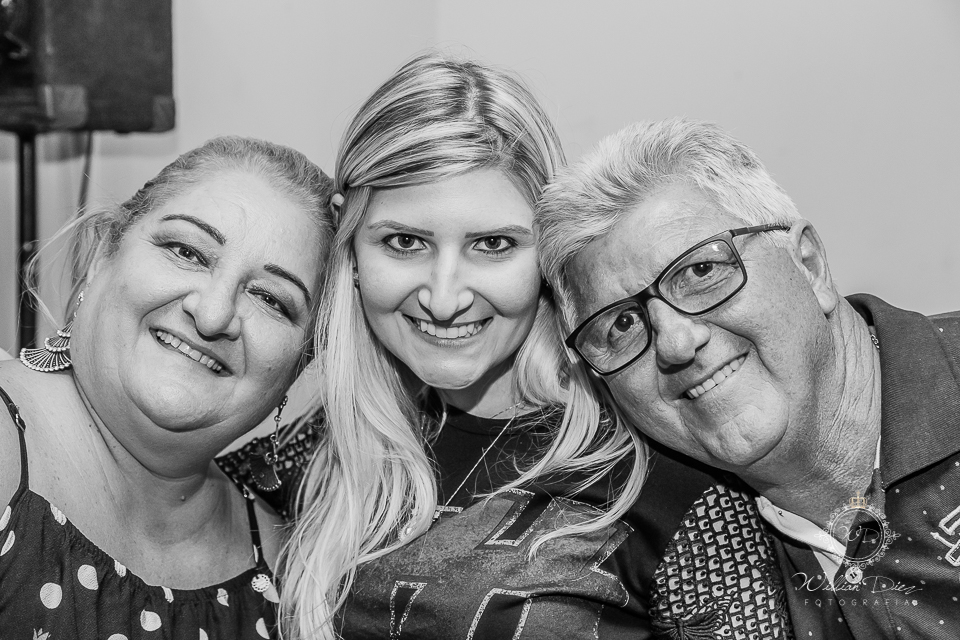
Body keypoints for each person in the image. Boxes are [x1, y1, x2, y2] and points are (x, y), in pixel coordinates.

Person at [222, 55, 792, 640]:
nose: (444, 299)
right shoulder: (321, 448)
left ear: (547, 251)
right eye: (405, 242)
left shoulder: (664, 467)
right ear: (351, 248)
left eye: (492, 244)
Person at [536, 117, 960, 640]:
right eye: (621, 324)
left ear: (809, 265)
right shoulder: (686, 560)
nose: (676, 343)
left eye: (700, 271)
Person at [0, 136, 334, 639]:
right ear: (101, 253)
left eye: (270, 299)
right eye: (187, 252)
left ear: (301, 363)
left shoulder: (289, 565)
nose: (213, 314)